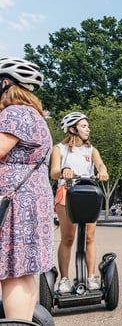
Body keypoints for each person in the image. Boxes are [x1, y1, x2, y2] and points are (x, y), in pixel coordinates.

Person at [0, 57, 54, 321]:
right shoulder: (33, 115)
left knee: (14, 271)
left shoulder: (15, 113)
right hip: (30, 199)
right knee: (23, 269)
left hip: (15, 205)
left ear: (5, 83)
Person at [50, 111, 109, 293]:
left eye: (87, 126)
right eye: (84, 126)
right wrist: (64, 170)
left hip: (87, 193)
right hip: (67, 193)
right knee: (67, 238)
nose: (88, 129)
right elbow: (53, 172)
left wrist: (103, 172)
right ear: (72, 129)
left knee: (90, 238)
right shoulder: (59, 148)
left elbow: (100, 165)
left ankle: (91, 277)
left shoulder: (91, 150)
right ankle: (65, 280)